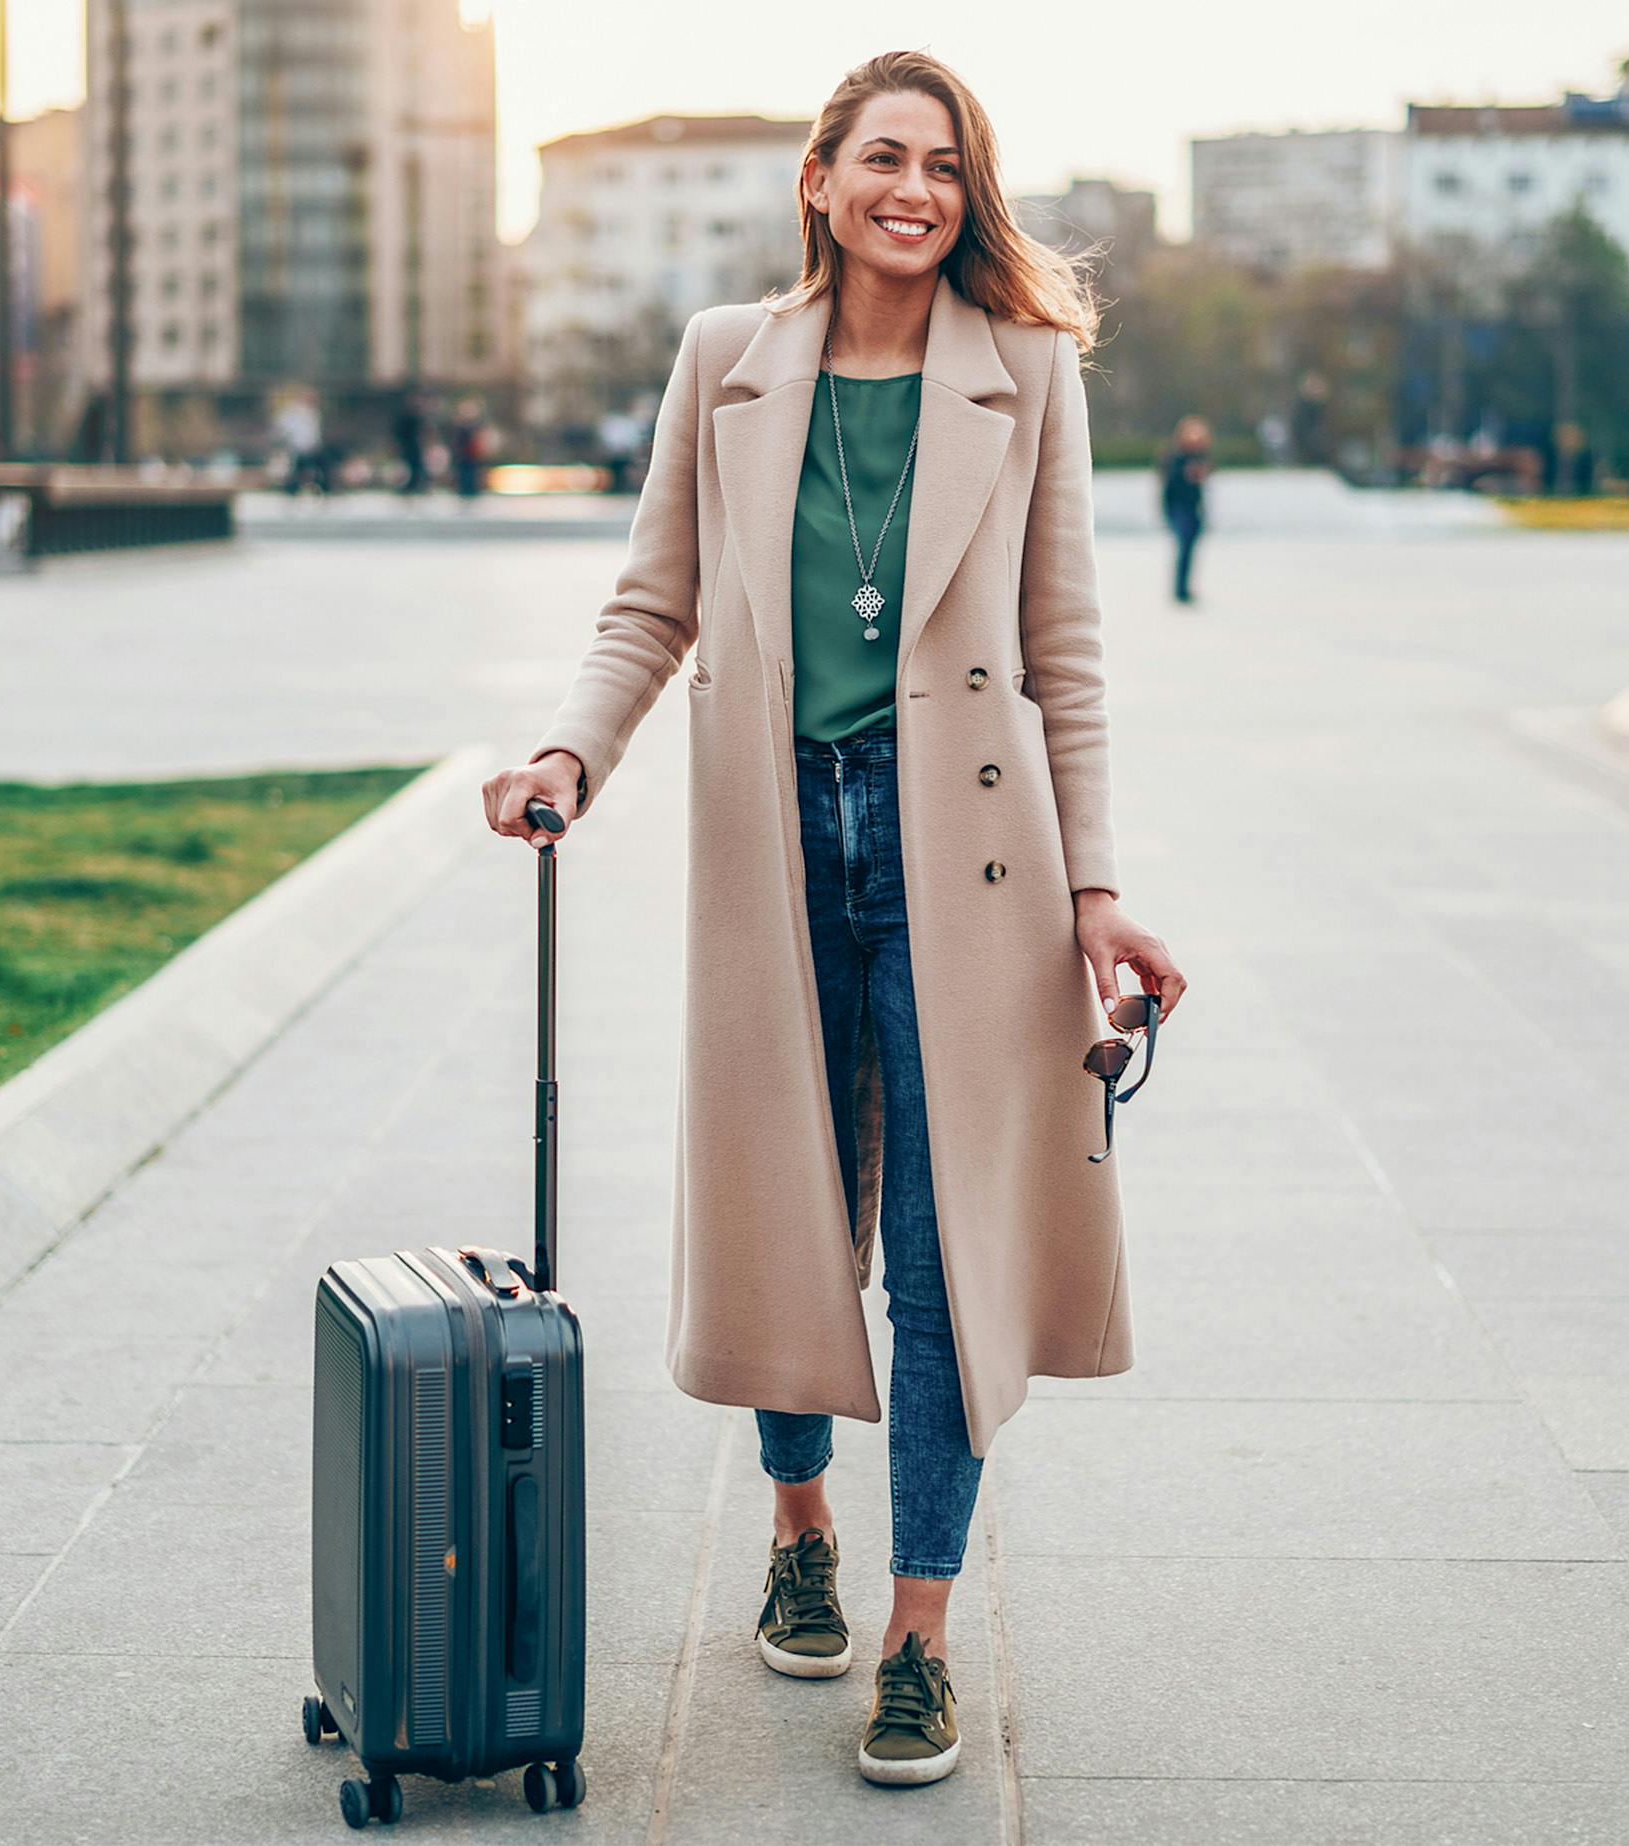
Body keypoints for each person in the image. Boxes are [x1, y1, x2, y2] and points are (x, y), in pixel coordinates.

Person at [481, 49, 1186, 1789]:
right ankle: (800, 1519)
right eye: (886, 158)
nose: (917, 191)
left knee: (949, 1256)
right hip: (775, 838)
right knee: (796, 1218)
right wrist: (570, 747)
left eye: (947, 166)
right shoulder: (727, 360)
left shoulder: (1026, 371)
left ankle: (920, 1635)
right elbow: (651, 602)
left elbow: (1066, 652)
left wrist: (1099, 886)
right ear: (820, 178)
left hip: (973, 865)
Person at [1160, 415, 1209, 605]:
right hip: (1178, 509)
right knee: (1183, 548)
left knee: (1189, 550)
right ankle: (1180, 590)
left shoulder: (1199, 457)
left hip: (1193, 509)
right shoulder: (1175, 458)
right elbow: (1170, 485)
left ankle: (1184, 588)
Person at [393, 392, 429, 495]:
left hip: (415, 446)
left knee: (417, 467)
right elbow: (398, 433)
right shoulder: (404, 417)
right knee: (409, 467)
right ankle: (410, 486)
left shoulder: (418, 417)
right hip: (407, 446)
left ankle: (416, 485)